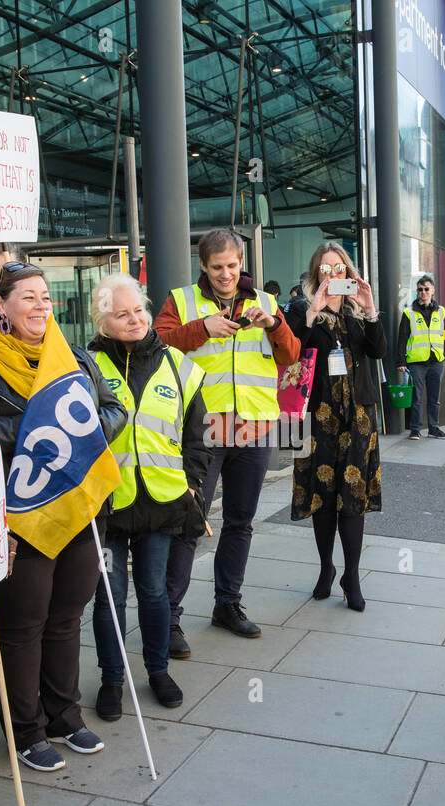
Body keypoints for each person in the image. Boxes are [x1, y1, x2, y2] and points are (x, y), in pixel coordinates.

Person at [0, 262, 127, 771]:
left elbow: (115, 410)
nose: (41, 306)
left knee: (65, 619)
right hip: (19, 516)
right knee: (23, 625)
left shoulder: (73, 356)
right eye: (29, 298)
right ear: (1, 306)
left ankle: (64, 716)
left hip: (77, 509)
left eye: (45, 297)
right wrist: (39, 439)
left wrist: (76, 440)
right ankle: (25, 729)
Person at [154, 228, 300, 649]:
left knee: (240, 523)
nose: (225, 274)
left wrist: (273, 324)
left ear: (241, 263)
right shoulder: (182, 301)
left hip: (253, 428)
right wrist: (201, 328)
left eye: (232, 266)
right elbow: (156, 341)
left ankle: (227, 604)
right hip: (202, 431)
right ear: (203, 265)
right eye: (217, 267)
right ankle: (170, 619)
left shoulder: (266, 303)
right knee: (190, 524)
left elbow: (291, 354)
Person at [86, 273, 208, 717]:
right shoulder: (85, 365)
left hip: (161, 501)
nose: (134, 319)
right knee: (108, 597)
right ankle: (111, 680)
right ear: (103, 320)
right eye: (121, 314)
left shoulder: (179, 365)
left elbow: (198, 434)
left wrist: (192, 482)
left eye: (138, 310)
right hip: (109, 504)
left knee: (154, 592)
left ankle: (158, 671)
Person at [285, 242, 386, 611]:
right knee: (321, 495)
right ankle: (326, 567)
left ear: (348, 271)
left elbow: (379, 353)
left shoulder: (358, 313)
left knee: (353, 497)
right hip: (317, 417)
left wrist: (371, 308)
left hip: (357, 416)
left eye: (339, 268)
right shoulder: (301, 308)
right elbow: (291, 350)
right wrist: (313, 311)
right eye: (325, 270)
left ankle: (352, 575)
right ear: (316, 275)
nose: (333, 276)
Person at [396, 274, 445, 440]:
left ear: (432, 290)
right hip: (416, 362)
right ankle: (415, 429)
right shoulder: (409, 312)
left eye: (426, 289)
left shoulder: (441, 311)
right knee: (416, 398)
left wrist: (444, 354)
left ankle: (434, 428)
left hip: (436, 361)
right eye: (420, 289)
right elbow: (402, 338)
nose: (423, 292)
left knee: (435, 398)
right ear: (417, 292)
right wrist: (401, 361)